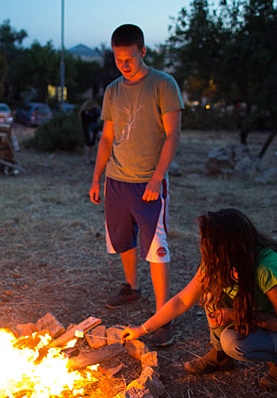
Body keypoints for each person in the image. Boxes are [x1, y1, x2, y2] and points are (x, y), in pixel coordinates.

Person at [122, 208, 277, 391]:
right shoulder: (219, 262)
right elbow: (182, 301)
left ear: (227, 246)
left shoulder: (269, 267)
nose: (203, 246)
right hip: (264, 315)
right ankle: (220, 357)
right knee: (210, 295)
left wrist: (234, 314)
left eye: (207, 242)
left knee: (234, 343)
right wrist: (142, 329)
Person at [88, 24, 183, 347]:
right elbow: (107, 137)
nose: (124, 65)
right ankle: (132, 287)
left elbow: (173, 135)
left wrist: (157, 177)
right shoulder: (113, 90)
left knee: (156, 248)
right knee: (121, 239)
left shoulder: (163, 85)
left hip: (148, 182)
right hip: (117, 179)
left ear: (143, 51)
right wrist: (97, 177)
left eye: (129, 58)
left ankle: (162, 316)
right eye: (118, 59)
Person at [79, 99, 102, 165]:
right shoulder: (84, 113)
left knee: (92, 144)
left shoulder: (93, 111)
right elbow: (86, 121)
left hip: (93, 129)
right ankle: (87, 159)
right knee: (88, 144)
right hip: (87, 130)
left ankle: (90, 158)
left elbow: (97, 117)